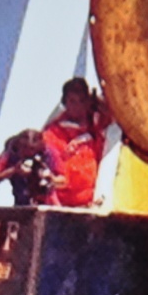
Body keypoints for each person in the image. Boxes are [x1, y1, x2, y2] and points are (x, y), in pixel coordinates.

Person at [42, 77, 112, 207]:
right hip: (63, 204)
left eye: (82, 101)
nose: (77, 106)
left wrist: (97, 101)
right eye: (72, 101)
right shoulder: (52, 133)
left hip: (91, 201)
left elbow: (114, 115)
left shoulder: (95, 125)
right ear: (65, 102)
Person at [0, 129, 64, 206]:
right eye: (24, 153)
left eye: (32, 152)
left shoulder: (50, 153)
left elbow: (63, 181)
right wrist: (13, 171)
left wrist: (51, 178)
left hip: (47, 203)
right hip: (21, 204)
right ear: (18, 147)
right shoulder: (10, 154)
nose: (29, 156)